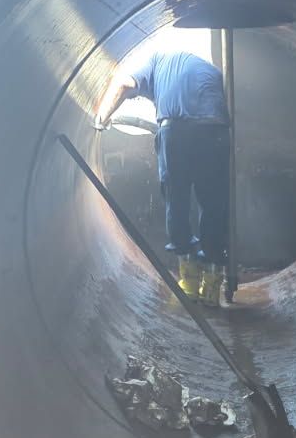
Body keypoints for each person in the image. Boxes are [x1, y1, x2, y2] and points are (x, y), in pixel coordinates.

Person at [95, 49, 230, 303]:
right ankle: (212, 284)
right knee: (214, 203)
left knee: (176, 200)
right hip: (215, 129)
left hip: (175, 130)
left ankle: (189, 279)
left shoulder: (154, 62)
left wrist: (101, 118)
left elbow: (123, 84)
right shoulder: (209, 70)